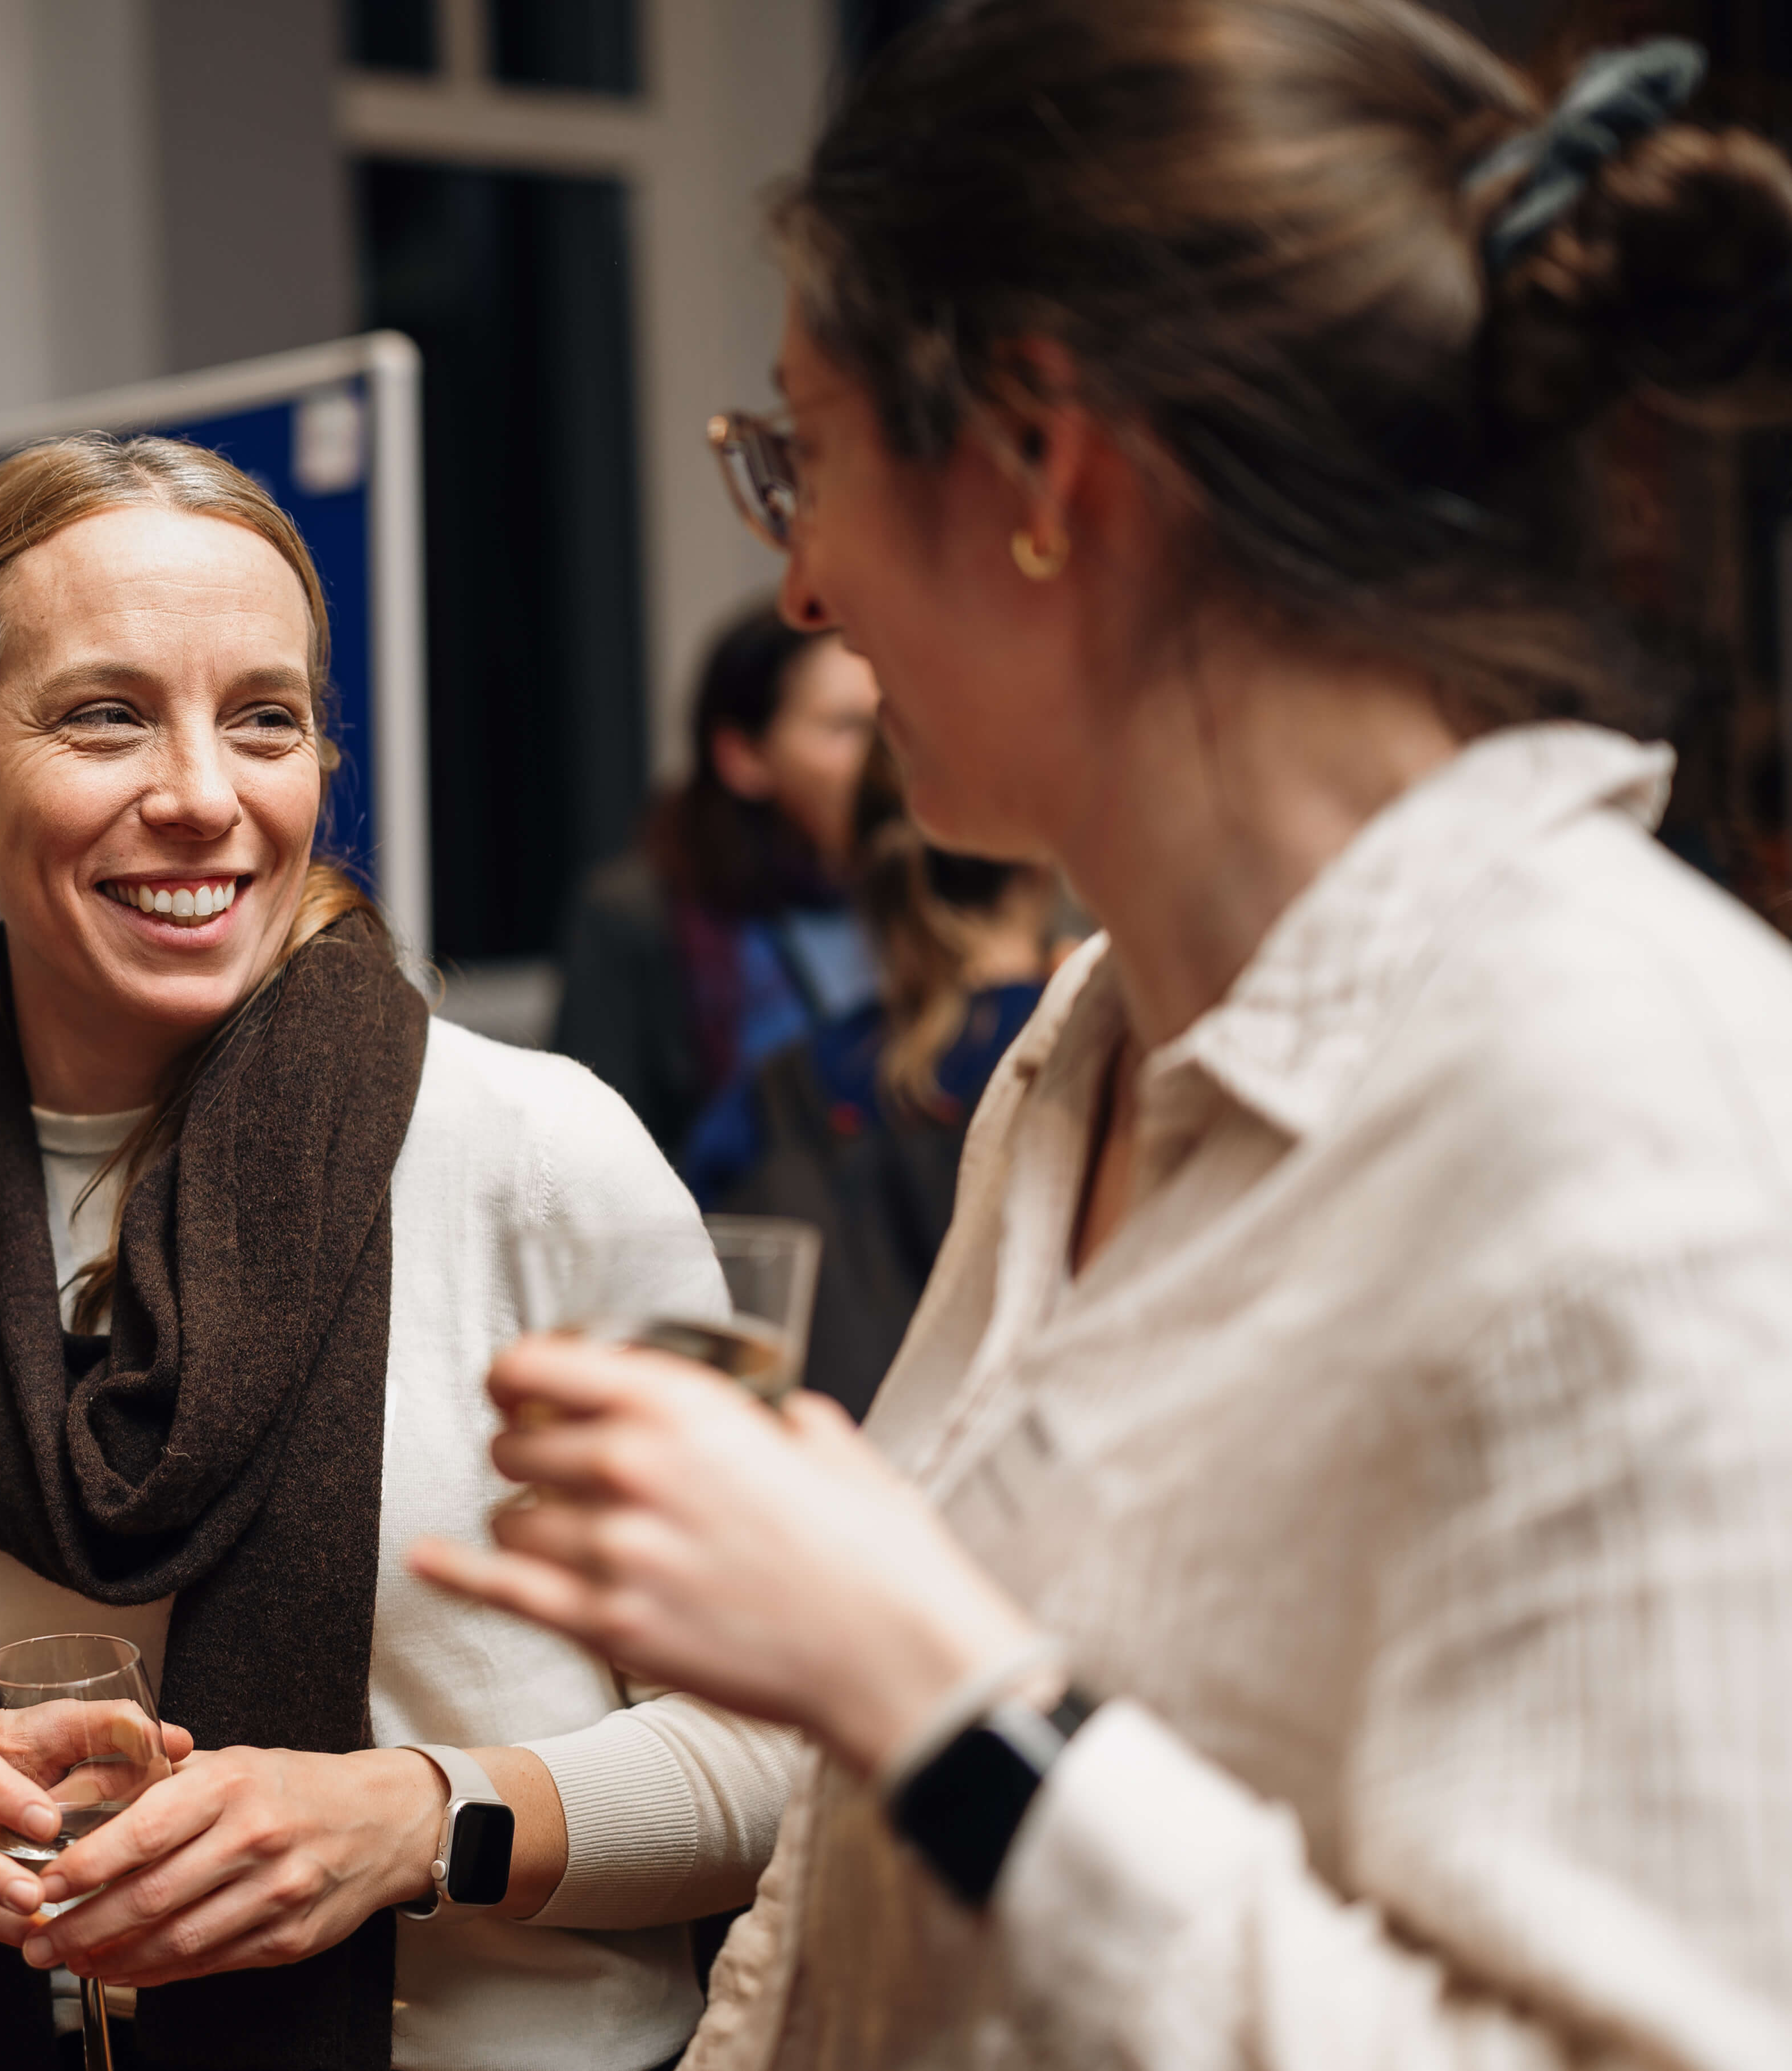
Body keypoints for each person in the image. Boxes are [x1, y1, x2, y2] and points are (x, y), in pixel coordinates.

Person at [413, 7, 1792, 2068]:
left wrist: (926, 1685)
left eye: (801, 460)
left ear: (1039, 465)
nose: (797, 587)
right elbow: (850, 1895)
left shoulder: (1633, 1118)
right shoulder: (1085, 1039)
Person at [0, 433, 789, 2071]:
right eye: (104, 715)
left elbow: (780, 1749)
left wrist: (420, 1817)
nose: (202, 796)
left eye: (264, 718)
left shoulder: (532, 1157)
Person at [714, 755, 1057, 1418]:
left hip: (826, 1457)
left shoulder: (781, 1088)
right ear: (1039, 867)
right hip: (1029, 1459)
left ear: (862, 877)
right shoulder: (1081, 1052)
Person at [550, 606, 881, 1196]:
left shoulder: (919, 895)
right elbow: (589, 1166)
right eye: (844, 727)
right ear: (743, 757)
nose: (882, 756)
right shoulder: (637, 914)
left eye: (886, 723)